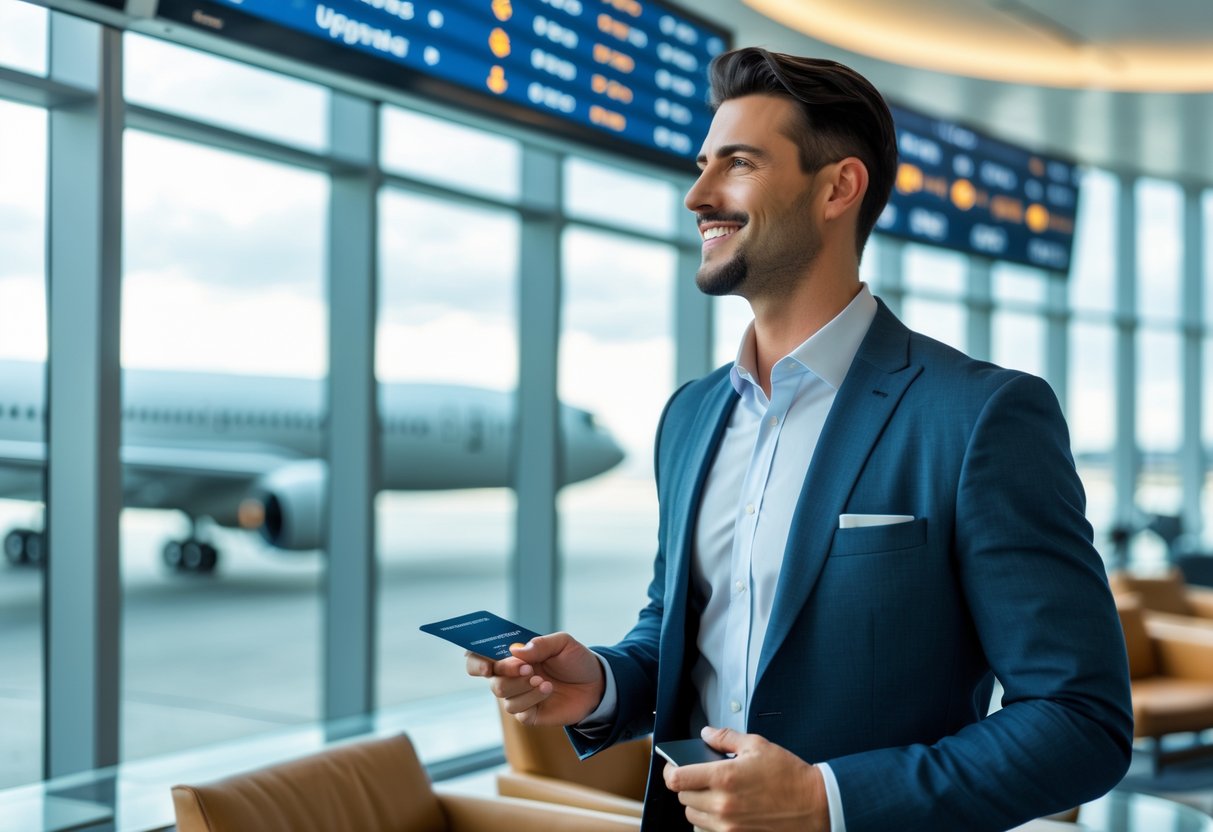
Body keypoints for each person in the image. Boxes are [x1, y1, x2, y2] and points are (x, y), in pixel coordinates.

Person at [467, 47, 1132, 831]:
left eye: (737, 164)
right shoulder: (689, 416)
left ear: (837, 188)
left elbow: (1080, 720)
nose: (697, 195)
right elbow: (685, 631)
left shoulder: (979, 415)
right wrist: (605, 684)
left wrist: (827, 800)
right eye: (702, 165)